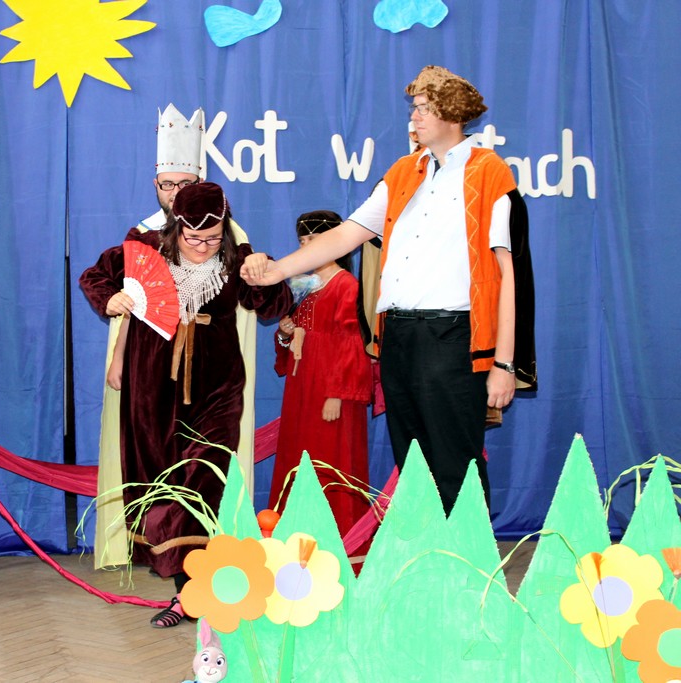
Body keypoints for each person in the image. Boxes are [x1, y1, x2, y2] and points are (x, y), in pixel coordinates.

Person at [242, 65, 536, 515]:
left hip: (453, 337)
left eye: (424, 108)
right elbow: (347, 234)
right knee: (412, 462)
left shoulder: (488, 172)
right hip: (398, 336)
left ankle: (466, 556)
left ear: (453, 113)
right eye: (414, 108)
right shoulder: (402, 172)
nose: (413, 117)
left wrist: (504, 364)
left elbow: (508, 272)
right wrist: (277, 271)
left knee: (455, 462)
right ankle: (420, 553)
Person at [80, 182, 292, 627]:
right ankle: (187, 589)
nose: (201, 246)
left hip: (217, 390)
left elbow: (272, 305)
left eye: (212, 238)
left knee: (203, 483)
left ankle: (191, 596)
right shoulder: (146, 251)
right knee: (163, 485)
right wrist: (110, 298)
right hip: (152, 388)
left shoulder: (236, 260)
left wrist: (267, 270)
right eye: (192, 237)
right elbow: (94, 276)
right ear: (176, 227)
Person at [93, 105, 261, 569]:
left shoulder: (230, 237)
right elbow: (124, 293)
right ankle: (167, 559)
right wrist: (119, 354)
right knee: (155, 460)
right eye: (167, 185)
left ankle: (196, 564)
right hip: (155, 370)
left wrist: (266, 274)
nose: (175, 193)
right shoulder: (145, 239)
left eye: (184, 184)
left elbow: (262, 295)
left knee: (205, 468)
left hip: (214, 375)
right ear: (157, 186)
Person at [269, 211, 372, 537]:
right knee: (299, 454)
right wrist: (285, 334)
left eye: (313, 240)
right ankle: (295, 532)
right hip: (302, 388)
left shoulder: (347, 286)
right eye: (302, 241)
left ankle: (338, 535)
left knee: (330, 458)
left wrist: (338, 394)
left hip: (331, 388)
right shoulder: (304, 286)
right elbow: (292, 343)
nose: (306, 247)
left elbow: (352, 344)